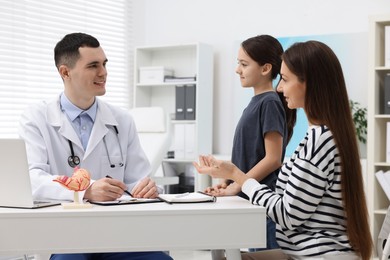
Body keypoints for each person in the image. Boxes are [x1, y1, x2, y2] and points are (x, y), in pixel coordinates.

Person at [194, 40, 372, 260]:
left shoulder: (320, 141)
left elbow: (287, 214)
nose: (279, 88)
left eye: (285, 80)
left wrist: (237, 176)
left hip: (318, 253)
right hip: (303, 250)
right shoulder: (320, 136)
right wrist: (231, 181)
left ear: (309, 84)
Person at [19, 32, 172, 260]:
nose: (103, 72)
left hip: (117, 234)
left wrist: (146, 187)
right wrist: (85, 190)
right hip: (64, 236)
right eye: (93, 65)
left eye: (104, 64)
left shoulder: (122, 119)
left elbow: (136, 179)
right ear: (65, 72)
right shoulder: (36, 118)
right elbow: (31, 179)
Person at [205, 35, 296, 250]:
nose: (238, 70)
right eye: (238, 63)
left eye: (244, 64)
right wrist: (227, 184)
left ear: (265, 68)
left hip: (264, 203)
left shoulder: (270, 102)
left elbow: (273, 159)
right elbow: (249, 156)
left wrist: (238, 184)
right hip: (251, 200)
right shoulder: (257, 103)